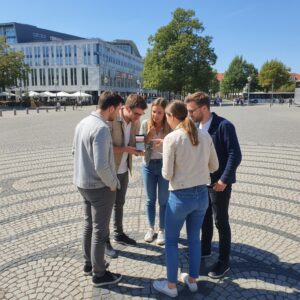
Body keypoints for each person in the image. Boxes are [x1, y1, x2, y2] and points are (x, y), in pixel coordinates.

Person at [153, 101, 219, 297]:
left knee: (171, 242)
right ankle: (192, 280)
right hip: (201, 196)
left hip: (180, 197)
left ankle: (171, 286)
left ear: (173, 117)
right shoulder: (205, 135)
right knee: (194, 240)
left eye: (166, 116)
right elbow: (214, 165)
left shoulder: (171, 138)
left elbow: (166, 174)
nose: (166, 119)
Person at [185, 92, 242, 279]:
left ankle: (224, 261)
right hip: (203, 181)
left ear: (204, 108)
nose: (189, 114)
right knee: (205, 218)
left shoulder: (224, 126)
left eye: (191, 111)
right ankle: (205, 249)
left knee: (221, 221)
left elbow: (235, 154)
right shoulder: (196, 126)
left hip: (220, 184)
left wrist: (224, 180)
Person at [72, 92, 123, 287]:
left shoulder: (82, 123)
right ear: (111, 108)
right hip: (99, 186)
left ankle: (89, 264)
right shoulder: (101, 128)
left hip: (82, 183)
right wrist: (113, 183)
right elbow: (102, 165)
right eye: (118, 109)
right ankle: (99, 274)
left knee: (89, 225)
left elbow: (74, 152)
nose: (118, 114)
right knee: (100, 231)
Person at [105, 93, 148, 257]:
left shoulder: (135, 122)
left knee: (119, 204)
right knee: (107, 207)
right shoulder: (112, 119)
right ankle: (104, 240)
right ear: (126, 108)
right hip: (110, 170)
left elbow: (137, 139)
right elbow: (105, 148)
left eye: (141, 115)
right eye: (136, 113)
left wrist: (139, 148)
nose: (138, 118)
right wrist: (126, 150)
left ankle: (119, 233)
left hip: (124, 169)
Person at [140, 98, 171, 245]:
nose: (156, 115)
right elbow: (138, 147)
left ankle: (162, 230)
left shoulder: (170, 126)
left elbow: (176, 144)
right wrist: (148, 138)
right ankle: (150, 228)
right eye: (154, 112)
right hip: (148, 165)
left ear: (165, 113)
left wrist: (164, 142)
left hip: (164, 166)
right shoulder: (145, 124)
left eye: (160, 112)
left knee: (164, 200)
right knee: (150, 200)